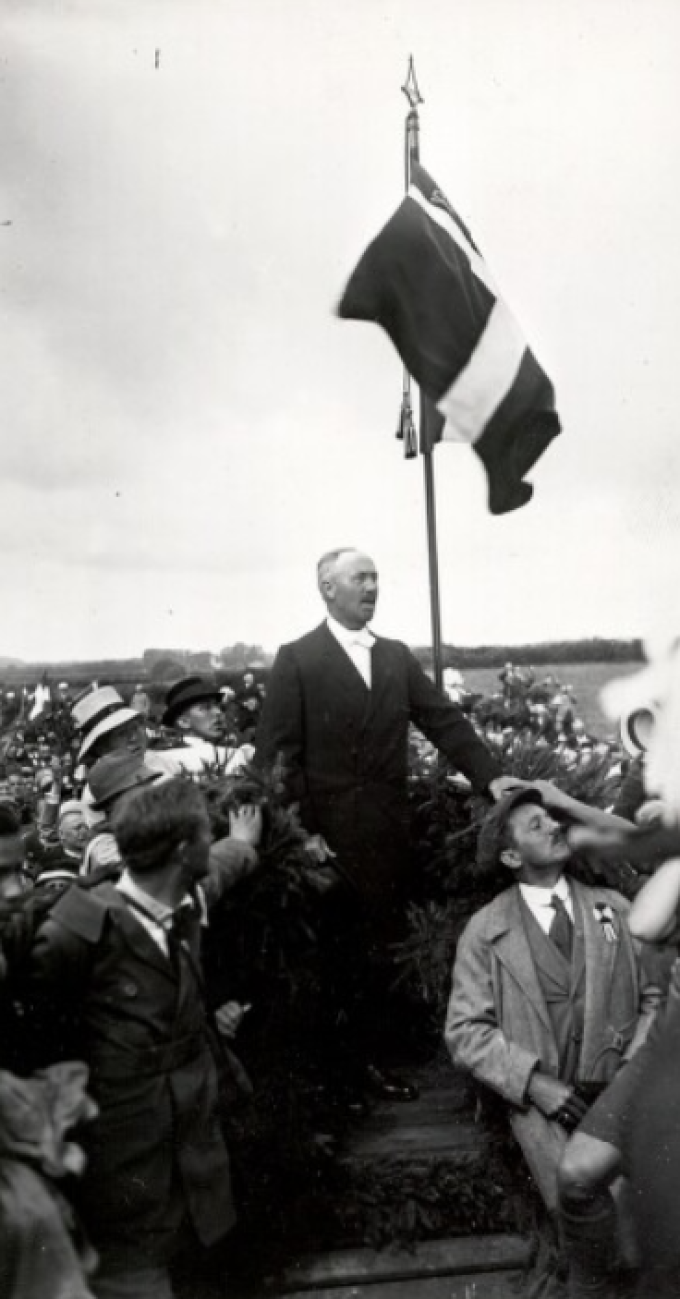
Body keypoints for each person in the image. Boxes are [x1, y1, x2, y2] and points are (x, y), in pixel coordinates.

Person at [255, 548, 514, 1101]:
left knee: (378, 947)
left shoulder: (394, 656)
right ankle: (341, 1076)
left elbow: (445, 721)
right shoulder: (297, 658)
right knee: (335, 957)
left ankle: (371, 1062)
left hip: (387, 832)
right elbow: (276, 759)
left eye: (375, 578)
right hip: (326, 841)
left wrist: (494, 781)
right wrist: (300, 834)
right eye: (360, 578)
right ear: (327, 588)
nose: (372, 587)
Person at [29, 778, 241, 1299]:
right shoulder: (79, 928)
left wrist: (245, 842)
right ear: (181, 851)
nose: (210, 846)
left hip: (192, 1163)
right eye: (204, 837)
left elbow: (224, 871)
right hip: (123, 1173)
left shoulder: (180, 902)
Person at [444, 783, 659, 1257]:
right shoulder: (485, 932)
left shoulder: (616, 910)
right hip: (542, 1114)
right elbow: (464, 1031)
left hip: (620, 1100)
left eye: (552, 818)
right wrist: (534, 1083)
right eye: (535, 825)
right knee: (585, 1235)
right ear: (510, 858)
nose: (555, 826)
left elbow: (654, 999)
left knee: (644, 1235)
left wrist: (630, 1071)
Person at [158, 676, 254, 777]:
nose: (218, 712)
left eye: (217, 706)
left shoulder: (158, 756)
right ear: (184, 722)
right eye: (206, 708)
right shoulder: (231, 756)